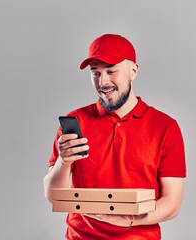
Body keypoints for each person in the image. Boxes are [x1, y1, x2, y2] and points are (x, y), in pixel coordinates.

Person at [43, 34, 186, 240]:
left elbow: (172, 204)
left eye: (111, 71)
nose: (103, 82)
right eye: (95, 73)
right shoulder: (76, 121)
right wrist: (63, 162)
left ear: (133, 71)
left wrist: (129, 219)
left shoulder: (165, 127)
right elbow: (52, 195)